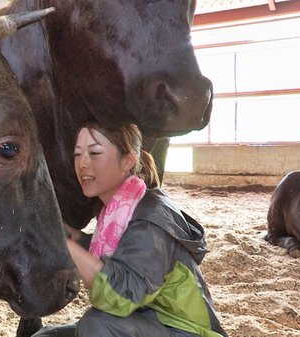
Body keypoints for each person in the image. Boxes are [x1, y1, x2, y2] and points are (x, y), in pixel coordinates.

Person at [32, 121, 227, 337]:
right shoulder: (122, 207)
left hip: (185, 330)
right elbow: (117, 254)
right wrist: (71, 236)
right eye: (78, 154)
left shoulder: (150, 220)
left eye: (95, 153)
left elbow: (121, 296)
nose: (83, 164)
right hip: (147, 321)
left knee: (97, 325)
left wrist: (65, 245)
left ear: (127, 161)